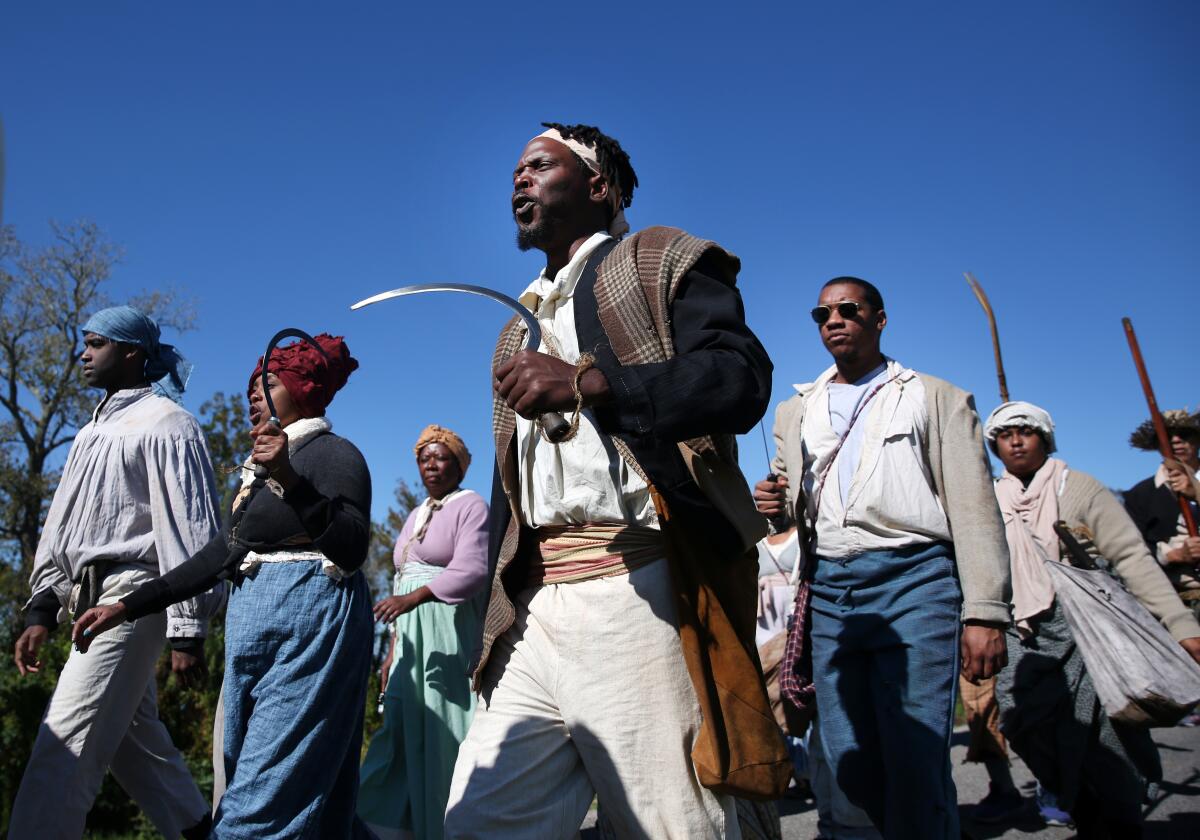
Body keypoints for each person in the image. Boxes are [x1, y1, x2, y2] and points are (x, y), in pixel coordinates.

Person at [444, 122, 788, 839]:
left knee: (672, 825)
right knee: (481, 822)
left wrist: (590, 382)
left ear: (597, 185)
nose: (519, 179)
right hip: (535, 612)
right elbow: (514, 494)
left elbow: (740, 378)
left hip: (637, 594)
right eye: (515, 171)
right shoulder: (515, 328)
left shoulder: (658, 260)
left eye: (539, 165)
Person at [73, 334, 374, 839]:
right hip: (253, 620)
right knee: (275, 779)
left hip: (310, 619)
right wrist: (127, 606)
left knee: (264, 795)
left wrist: (289, 478)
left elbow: (350, 546)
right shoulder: (257, 473)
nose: (254, 394)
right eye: (251, 387)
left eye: (269, 383)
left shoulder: (334, 454)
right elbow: (218, 554)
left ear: (303, 388)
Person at [755, 276, 1012, 839]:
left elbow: (973, 508)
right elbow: (793, 513)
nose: (834, 321)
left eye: (848, 309)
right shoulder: (796, 410)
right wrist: (772, 506)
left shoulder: (935, 396)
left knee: (916, 758)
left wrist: (986, 611)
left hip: (916, 581)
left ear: (879, 318)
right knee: (849, 758)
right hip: (829, 590)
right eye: (821, 315)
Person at [9, 305, 220, 840]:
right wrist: (42, 606)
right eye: (84, 343)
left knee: (64, 747)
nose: (83, 354)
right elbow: (66, 526)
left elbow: (192, 531)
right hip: (86, 598)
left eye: (96, 343)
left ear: (131, 353)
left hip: (133, 598)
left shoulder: (169, 423)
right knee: (136, 745)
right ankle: (201, 833)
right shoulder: (90, 433)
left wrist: (187, 630)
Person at [984, 400, 1200, 837]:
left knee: (1104, 738)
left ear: (1044, 439)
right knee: (1023, 723)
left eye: (1026, 432)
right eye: (1005, 435)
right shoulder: (987, 500)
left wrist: (1181, 625)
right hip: (1021, 634)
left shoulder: (1079, 489)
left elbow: (1132, 558)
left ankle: (1116, 821)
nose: (1016, 441)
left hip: (1089, 631)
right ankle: (1079, 804)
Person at [358, 424, 489, 840]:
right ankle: (387, 828)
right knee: (397, 730)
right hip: (411, 641)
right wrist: (393, 650)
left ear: (459, 464)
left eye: (440, 457)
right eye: (424, 458)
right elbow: (401, 581)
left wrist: (415, 600)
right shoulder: (417, 513)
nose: (431, 465)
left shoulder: (471, 506)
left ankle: (451, 827)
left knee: (443, 733)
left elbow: (474, 570)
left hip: (445, 632)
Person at [1123, 409, 1200, 553]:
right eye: (1167, 435)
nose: (1176, 440)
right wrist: (1173, 555)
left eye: (1184, 434)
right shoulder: (1140, 495)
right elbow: (1133, 550)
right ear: (1157, 444)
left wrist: (1197, 492)